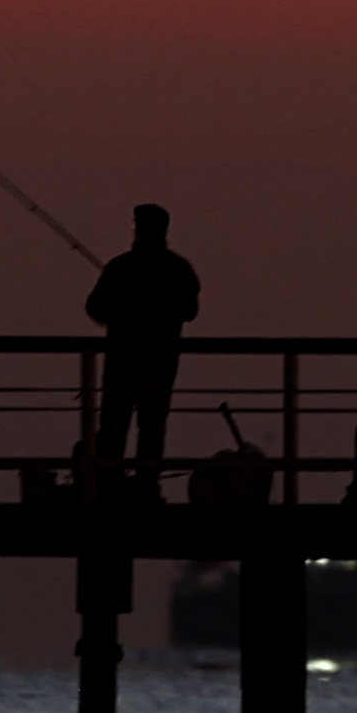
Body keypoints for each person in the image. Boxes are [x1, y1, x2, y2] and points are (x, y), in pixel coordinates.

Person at [83, 203, 201, 497]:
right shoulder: (178, 269)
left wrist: (125, 308)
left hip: (122, 361)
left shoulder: (120, 267)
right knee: (151, 424)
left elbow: (96, 308)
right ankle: (146, 485)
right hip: (160, 361)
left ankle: (110, 484)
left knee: (115, 423)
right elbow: (189, 310)